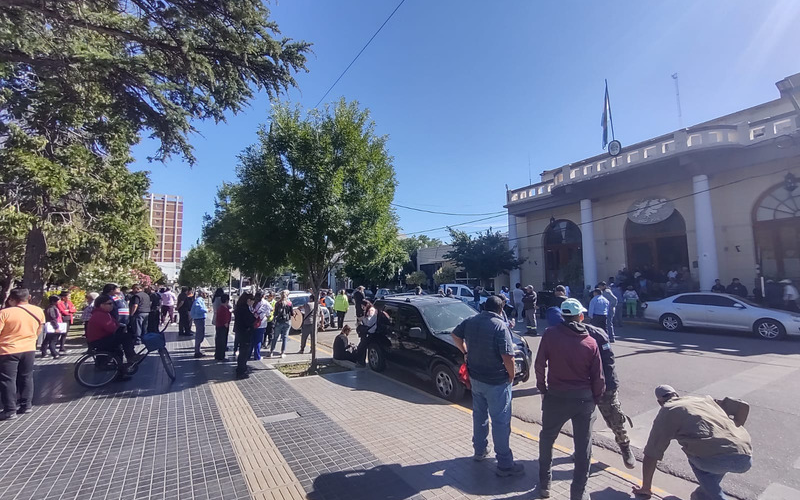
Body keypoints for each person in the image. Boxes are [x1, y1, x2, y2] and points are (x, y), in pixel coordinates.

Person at [535, 298, 605, 500]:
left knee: (547, 439)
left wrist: (542, 388)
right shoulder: (590, 342)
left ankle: (545, 485)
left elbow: (540, 364)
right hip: (584, 400)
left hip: (555, 396)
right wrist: (596, 399)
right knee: (583, 447)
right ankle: (578, 493)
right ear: (581, 316)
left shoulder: (550, 334)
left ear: (562, 316)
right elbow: (598, 376)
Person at [633, 385, 752, 500]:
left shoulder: (668, 410)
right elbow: (743, 406)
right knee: (703, 490)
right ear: (676, 394)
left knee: (698, 457)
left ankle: (714, 496)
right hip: (745, 456)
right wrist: (736, 428)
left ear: (659, 402)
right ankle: (702, 496)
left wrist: (646, 487)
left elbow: (651, 454)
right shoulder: (703, 400)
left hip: (715, 460)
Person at [451, 295, 524, 477]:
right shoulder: (499, 326)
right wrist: (511, 376)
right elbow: (508, 356)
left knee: (479, 415)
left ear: (484, 306)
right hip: (497, 381)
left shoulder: (471, 320)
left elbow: (454, 335)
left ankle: (480, 450)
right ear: (501, 309)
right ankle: (505, 464)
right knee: (500, 422)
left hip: (476, 378)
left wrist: (465, 351)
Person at [584, 318, 635, 469]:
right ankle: (584, 452)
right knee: (582, 421)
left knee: (615, 418)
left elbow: (609, 363)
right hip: (582, 386)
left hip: (606, 385)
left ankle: (625, 448)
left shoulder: (597, 334)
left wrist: (605, 385)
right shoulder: (566, 334)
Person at [0, 288, 45, 421]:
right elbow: (40, 329)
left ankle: (10, 410)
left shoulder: (4, 313)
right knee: (26, 377)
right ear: (29, 297)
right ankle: (26, 405)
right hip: (29, 349)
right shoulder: (38, 311)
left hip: (8, 350)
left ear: (11, 299)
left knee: (8, 380)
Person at [86, 294, 139, 374]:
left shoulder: (103, 313)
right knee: (126, 337)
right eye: (109, 304)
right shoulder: (101, 315)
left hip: (101, 339)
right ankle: (131, 356)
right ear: (101, 305)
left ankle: (120, 372)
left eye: (112, 303)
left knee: (119, 350)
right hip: (100, 341)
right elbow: (111, 328)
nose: (112, 306)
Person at [232, 293, 256, 379]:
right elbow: (248, 321)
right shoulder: (244, 309)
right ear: (248, 300)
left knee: (242, 351)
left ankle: (241, 369)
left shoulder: (239, 308)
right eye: (252, 301)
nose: (252, 303)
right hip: (245, 333)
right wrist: (254, 317)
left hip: (240, 332)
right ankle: (241, 371)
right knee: (244, 352)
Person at [269, 291, 293, 358]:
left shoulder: (277, 303)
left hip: (279, 321)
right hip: (287, 321)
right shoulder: (289, 303)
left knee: (275, 337)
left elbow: (275, 313)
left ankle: (271, 351)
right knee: (285, 337)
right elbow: (292, 313)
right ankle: (282, 352)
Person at [355, 300, 377, 366]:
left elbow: (369, 322)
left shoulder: (371, 311)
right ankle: (361, 362)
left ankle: (361, 362)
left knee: (361, 347)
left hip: (369, 332)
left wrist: (362, 319)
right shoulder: (369, 310)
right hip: (367, 332)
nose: (362, 308)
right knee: (362, 347)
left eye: (363, 306)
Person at [252, 292, 272, 360]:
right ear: (263, 296)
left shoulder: (253, 303)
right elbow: (270, 311)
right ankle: (257, 356)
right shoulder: (265, 303)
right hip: (261, 323)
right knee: (258, 341)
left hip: (252, 323)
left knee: (252, 340)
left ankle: (248, 354)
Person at [214, 294, 231, 361]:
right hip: (222, 327)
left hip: (219, 326)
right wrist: (226, 324)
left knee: (219, 341)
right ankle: (221, 356)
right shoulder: (223, 309)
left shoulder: (221, 308)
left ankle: (218, 355)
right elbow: (224, 319)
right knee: (222, 342)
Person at [190, 290, 208, 357]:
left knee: (200, 335)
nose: (206, 295)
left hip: (200, 318)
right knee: (199, 335)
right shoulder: (198, 300)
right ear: (202, 293)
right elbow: (199, 310)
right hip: (199, 319)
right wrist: (206, 310)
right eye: (205, 293)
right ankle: (197, 352)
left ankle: (198, 350)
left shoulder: (200, 300)